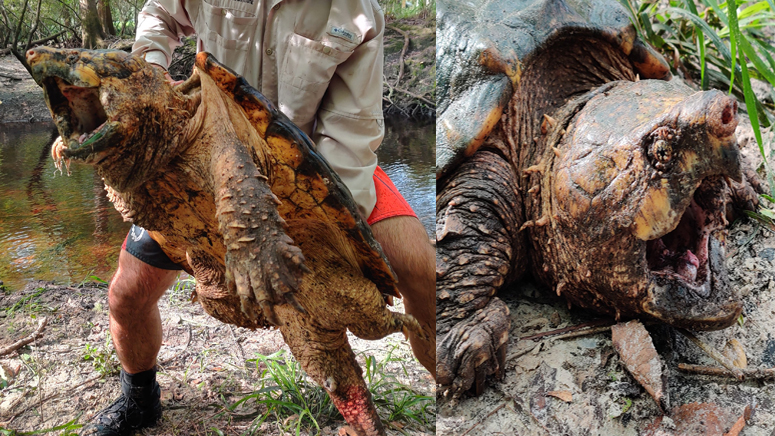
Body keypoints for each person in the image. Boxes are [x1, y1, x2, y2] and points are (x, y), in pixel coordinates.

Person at [81, 1, 435, 435]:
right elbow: (159, 14)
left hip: (310, 161)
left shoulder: (355, 11)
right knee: (126, 295)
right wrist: (151, 75)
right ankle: (139, 398)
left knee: (422, 271)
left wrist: (321, 231)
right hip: (199, 153)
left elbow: (349, 132)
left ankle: (448, 385)